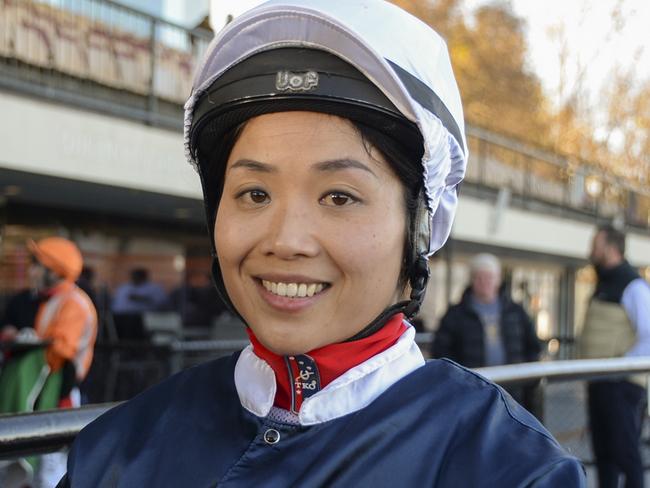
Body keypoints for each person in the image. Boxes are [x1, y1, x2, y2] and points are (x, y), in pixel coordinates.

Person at [58, 1, 584, 486]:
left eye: (338, 196)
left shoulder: (507, 470)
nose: (286, 240)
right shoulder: (117, 448)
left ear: (419, 227)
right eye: (254, 192)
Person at [0, 237, 97, 487]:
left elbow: (60, 354)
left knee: (51, 470)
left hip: (61, 393)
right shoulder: (44, 298)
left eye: (37, 264)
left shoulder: (73, 303)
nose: (32, 270)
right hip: (42, 392)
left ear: (53, 271)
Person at [579, 224, 650, 488]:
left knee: (626, 453)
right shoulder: (606, 282)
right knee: (605, 456)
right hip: (601, 382)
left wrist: (622, 367)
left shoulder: (632, 286)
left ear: (610, 248)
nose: (591, 250)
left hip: (620, 385)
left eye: (596, 244)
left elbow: (648, 333)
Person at [431, 253, 542, 413]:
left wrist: (527, 380)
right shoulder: (456, 314)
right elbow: (441, 350)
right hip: (472, 392)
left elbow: (533, 346)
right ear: (471, 279)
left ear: (498, 279)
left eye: (489, 277)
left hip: (513, 392)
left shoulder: (516, 312)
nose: (484, 282)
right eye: (479, 277)